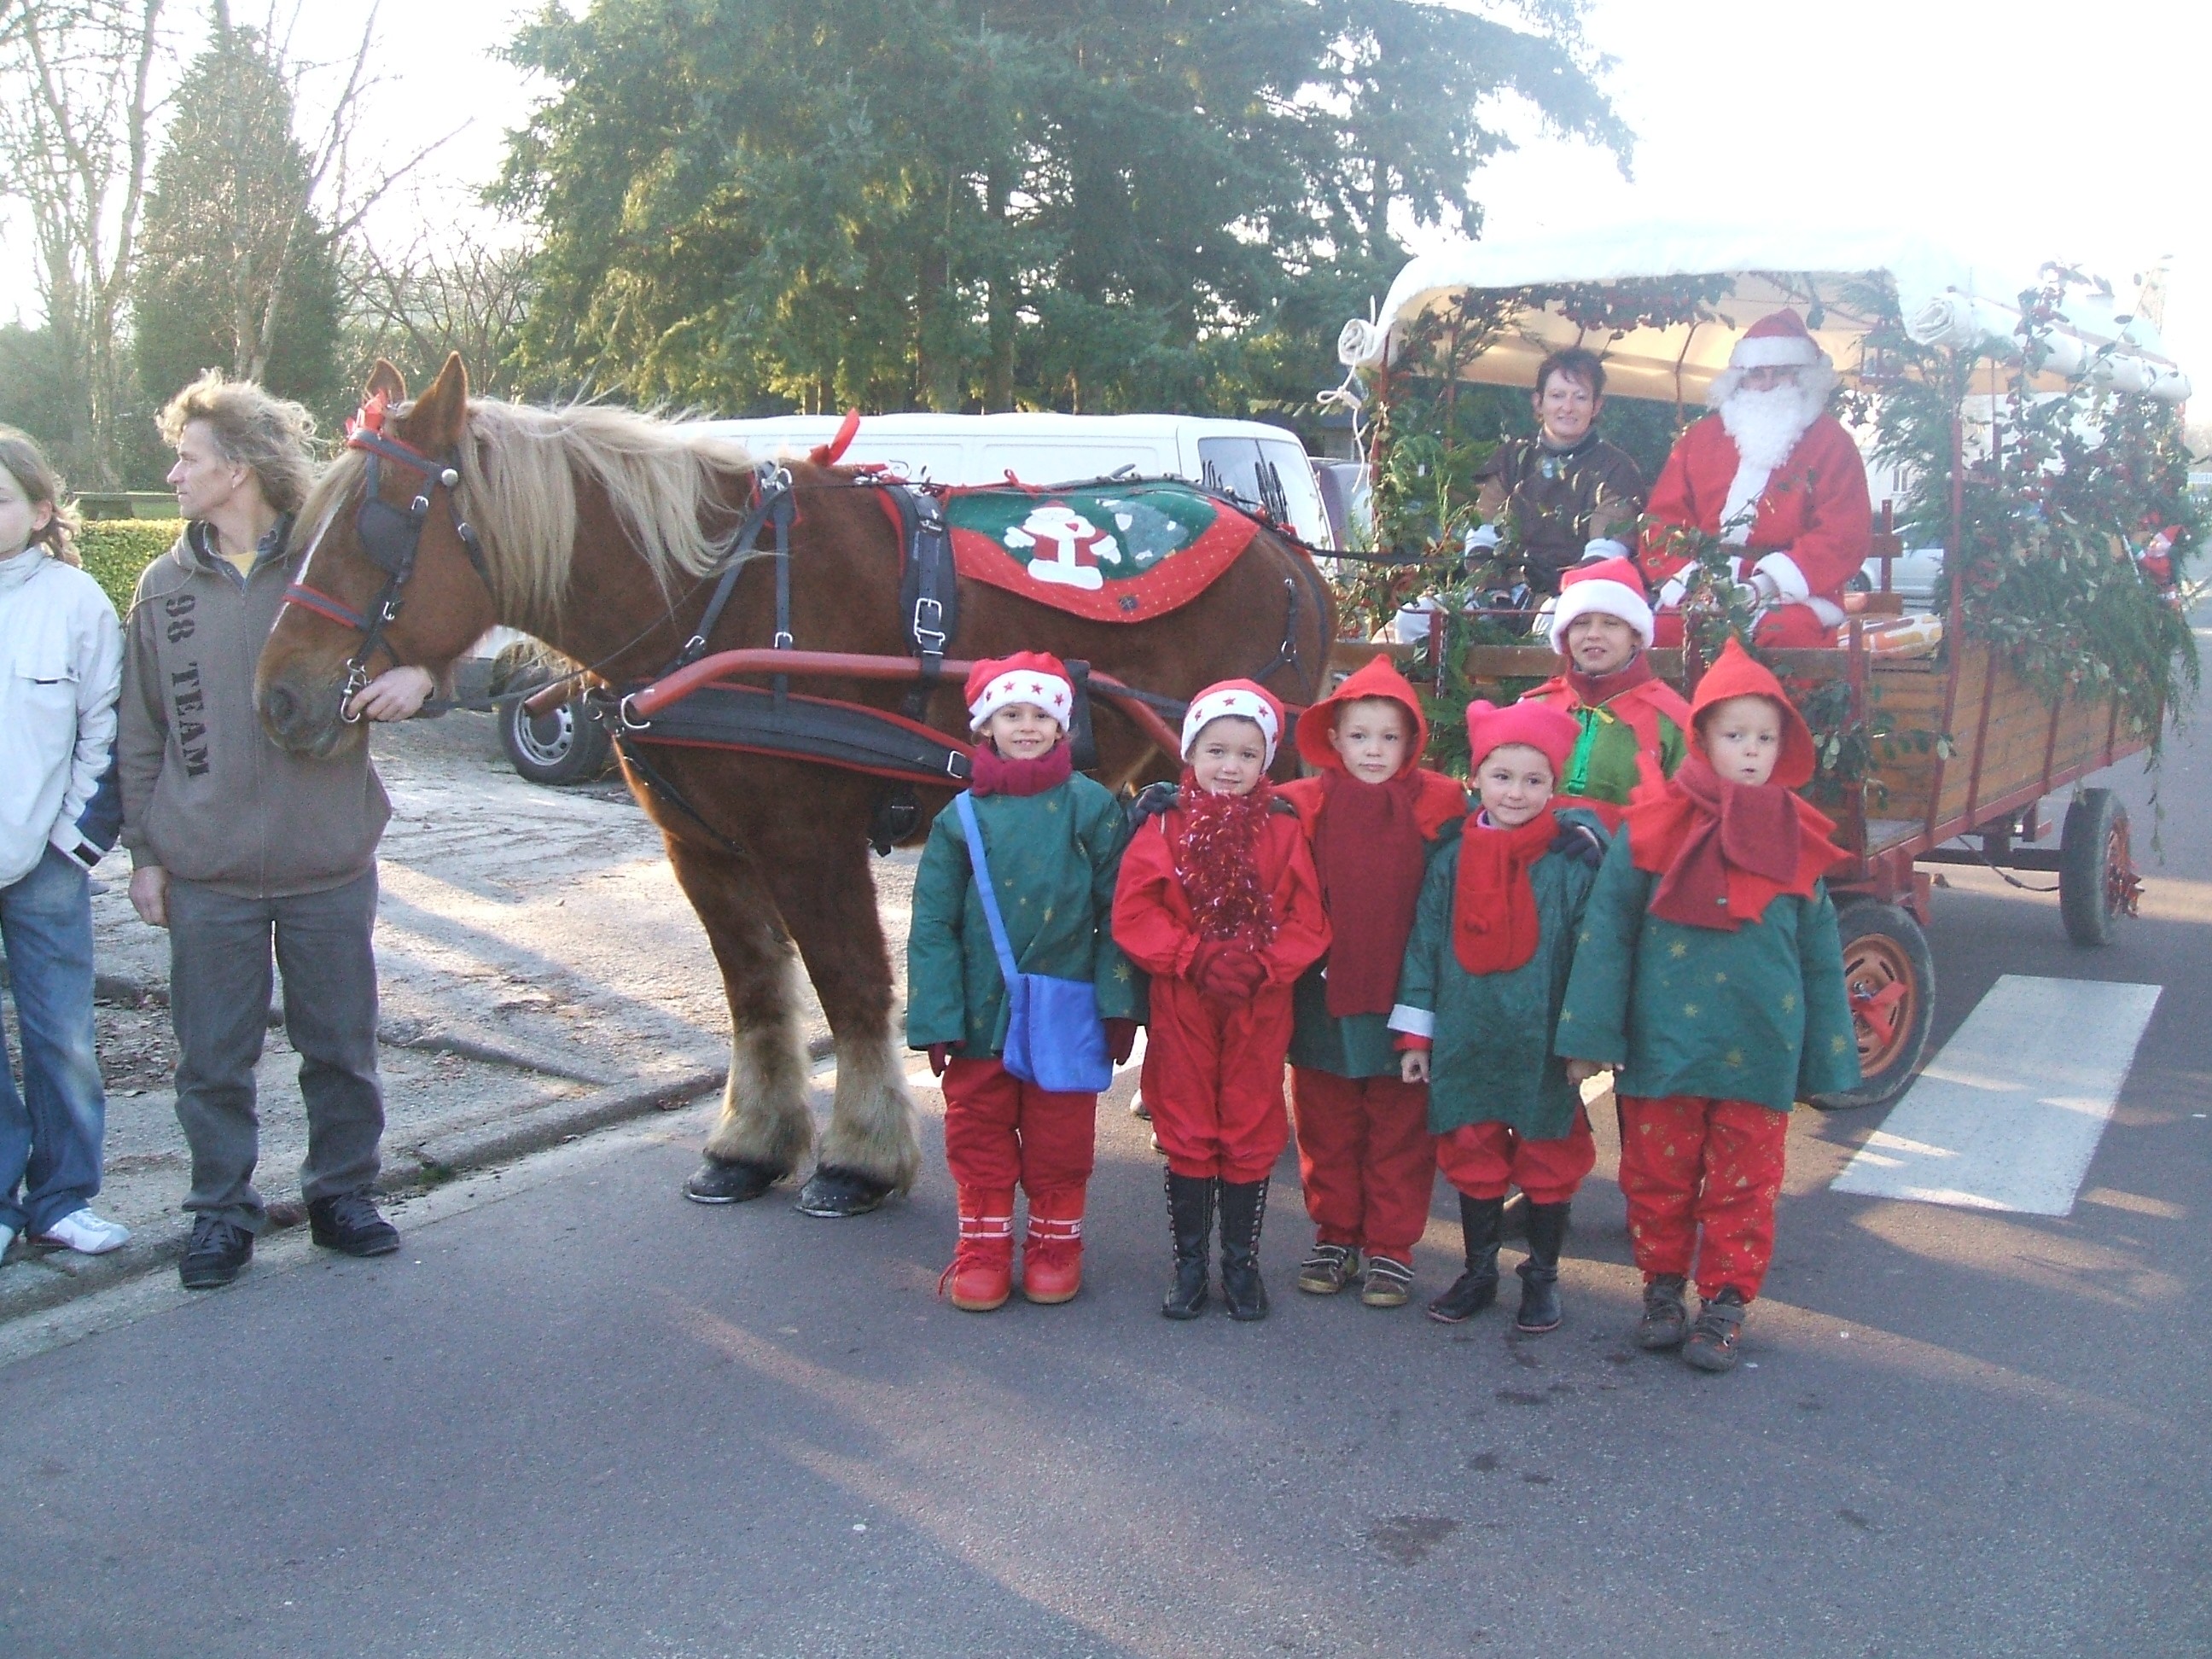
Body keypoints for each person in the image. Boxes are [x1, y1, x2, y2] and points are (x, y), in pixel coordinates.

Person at [119, 372, 434, 1291]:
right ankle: (220, 1214)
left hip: (327, 863)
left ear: (242, 468)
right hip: (205, 870)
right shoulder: (161, 586)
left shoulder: (328, 568)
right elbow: (141, 731)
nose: (174, 475)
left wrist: (421, 679)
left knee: (341, 1047)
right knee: (211, 1061)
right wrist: (146, 853)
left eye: (188, 459)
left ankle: (343, 1196)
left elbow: (428, 635)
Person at [1555, 637, 1859, 1371]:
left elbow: (1819, 956)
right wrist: (1589, 1034)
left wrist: (1827, 1055)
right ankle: (1661, 1287)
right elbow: (1608, 936)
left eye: (1765, 738)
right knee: (1657, 1176)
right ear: (1702, 738)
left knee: (1744, 1183)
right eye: (1734, 736)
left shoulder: (1797, 838)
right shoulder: (1653, 828)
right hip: (1663, 1045)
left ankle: (1725, 1301)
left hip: (1760, 1046)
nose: (1750, 752)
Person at [905, 652, 1140, 1312]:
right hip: (981, 1015)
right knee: (978, 1132)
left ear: (1063, 728)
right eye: (1013, 713)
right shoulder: (958, 820)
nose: (1028, 726)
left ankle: (1055, 1247)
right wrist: (936, 1018)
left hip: (1067, 1015)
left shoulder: (1092, 809)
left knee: (1059, 1137)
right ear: (987, 727)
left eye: (1042, 714)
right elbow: (932, 926)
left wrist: (1120, 1003)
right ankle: (981, 1250)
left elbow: (1117, 912)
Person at [1112, 681, 1329, 1322]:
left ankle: (1240, 1264)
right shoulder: (1163, 822)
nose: (1229, 767)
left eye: (1245, 754)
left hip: (1261, 1002)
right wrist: (1194, 957)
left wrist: (1263, 966)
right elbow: (1135, 910)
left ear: (1266, 763)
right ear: (1191, 753)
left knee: (1250, 1120)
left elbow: (1307, 919)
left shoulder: (1284, 830)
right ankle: (1188, 1266)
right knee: (1184, 1119)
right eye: (1216, 751)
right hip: (1184, 997)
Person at [1390, 699, 1606, 1333]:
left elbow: (1594, 954)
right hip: (1466, 1035)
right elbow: (1425, 943)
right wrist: (1415, 1035)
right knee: (1471, 1147)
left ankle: (1541, 1275)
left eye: (1534, 780)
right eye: (1503, 776)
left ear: (1554, 787)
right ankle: (1479, 1270)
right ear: (1475, 778)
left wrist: (1584, 1039)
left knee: (1548, 1153)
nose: (1516, 793)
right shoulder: (1451, 858)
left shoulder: (1575, 861)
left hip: (1541, 1043)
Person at [1278, 656, 1464, 1308]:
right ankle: (1335, 1234)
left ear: (1412, 741)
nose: (1374, 751)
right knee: (1326, 1125)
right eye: (1360, 736)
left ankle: (1391, 1246)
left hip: (1405, 999)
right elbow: (1235, 807)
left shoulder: (1441, 809)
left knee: (1400, 1131)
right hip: (1323, 998)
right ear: (1333, 739)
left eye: (1389, 737)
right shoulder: (1301, 805)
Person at [0, 428, 129, 1263]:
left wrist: (71, 846)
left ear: (41, 512)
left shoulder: (78, 605)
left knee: (61, 1036)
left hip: (41, 861)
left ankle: (61, 1199)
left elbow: (106, 733)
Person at [1639, 309, 1872, 649]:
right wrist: (1694, 581)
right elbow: (1662, 521)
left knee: (1784, 636)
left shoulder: (1832, 443)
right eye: (1757, 374)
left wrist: (1768, 583)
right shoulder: (1701, 439)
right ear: (1739, 379)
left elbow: (1843, 533)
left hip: (1795, 592)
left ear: (1805, 377)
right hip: (1703, 583)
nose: (1766, 385)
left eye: (1781, 374)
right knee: (1668, 632)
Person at [1521, 556, 1691, 826]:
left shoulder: (1673, 720)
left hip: (1629, 861)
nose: (1593, 634)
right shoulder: (1532, 709)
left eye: (1611, 623)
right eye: (1581, 623)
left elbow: (1683, 817)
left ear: (1635, 635)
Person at [1467, 346, 1647, 598]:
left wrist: (1559, 587)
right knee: (1415, 619)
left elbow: (1605, 554)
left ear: (1596, 406)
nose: (1568, 407)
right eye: (1557, 395)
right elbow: (1483, 537)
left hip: (1577, 596)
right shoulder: (1511, 458)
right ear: (1538, 402)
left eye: (1580, 397)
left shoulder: (1616, 469)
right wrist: (1494, 592)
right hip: (1505, 591)